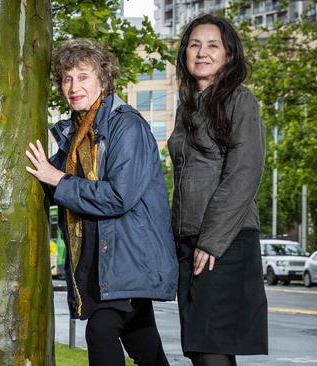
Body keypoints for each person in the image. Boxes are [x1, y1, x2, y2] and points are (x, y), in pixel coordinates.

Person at [25, 38, 177, 366]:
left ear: (103, 80)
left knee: (102, 330)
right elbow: (52, 179)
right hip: (105, 260)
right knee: (143, 341)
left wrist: (57, 179)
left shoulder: (126, 125)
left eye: (83, 76)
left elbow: (118, 197)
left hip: (130, 257)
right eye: (66, 78)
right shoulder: (79, 133)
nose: (73, 86)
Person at [168, 14, 268, 366]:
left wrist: (211, 241)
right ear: (184, 54)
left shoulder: (240, 101)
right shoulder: (187, 106)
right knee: (200, 347)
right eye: (194, 44)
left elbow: (244, 173)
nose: (202, 52)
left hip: (224, 242)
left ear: (228, 54)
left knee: (211, 348)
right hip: (188, 240)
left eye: (213, 45)